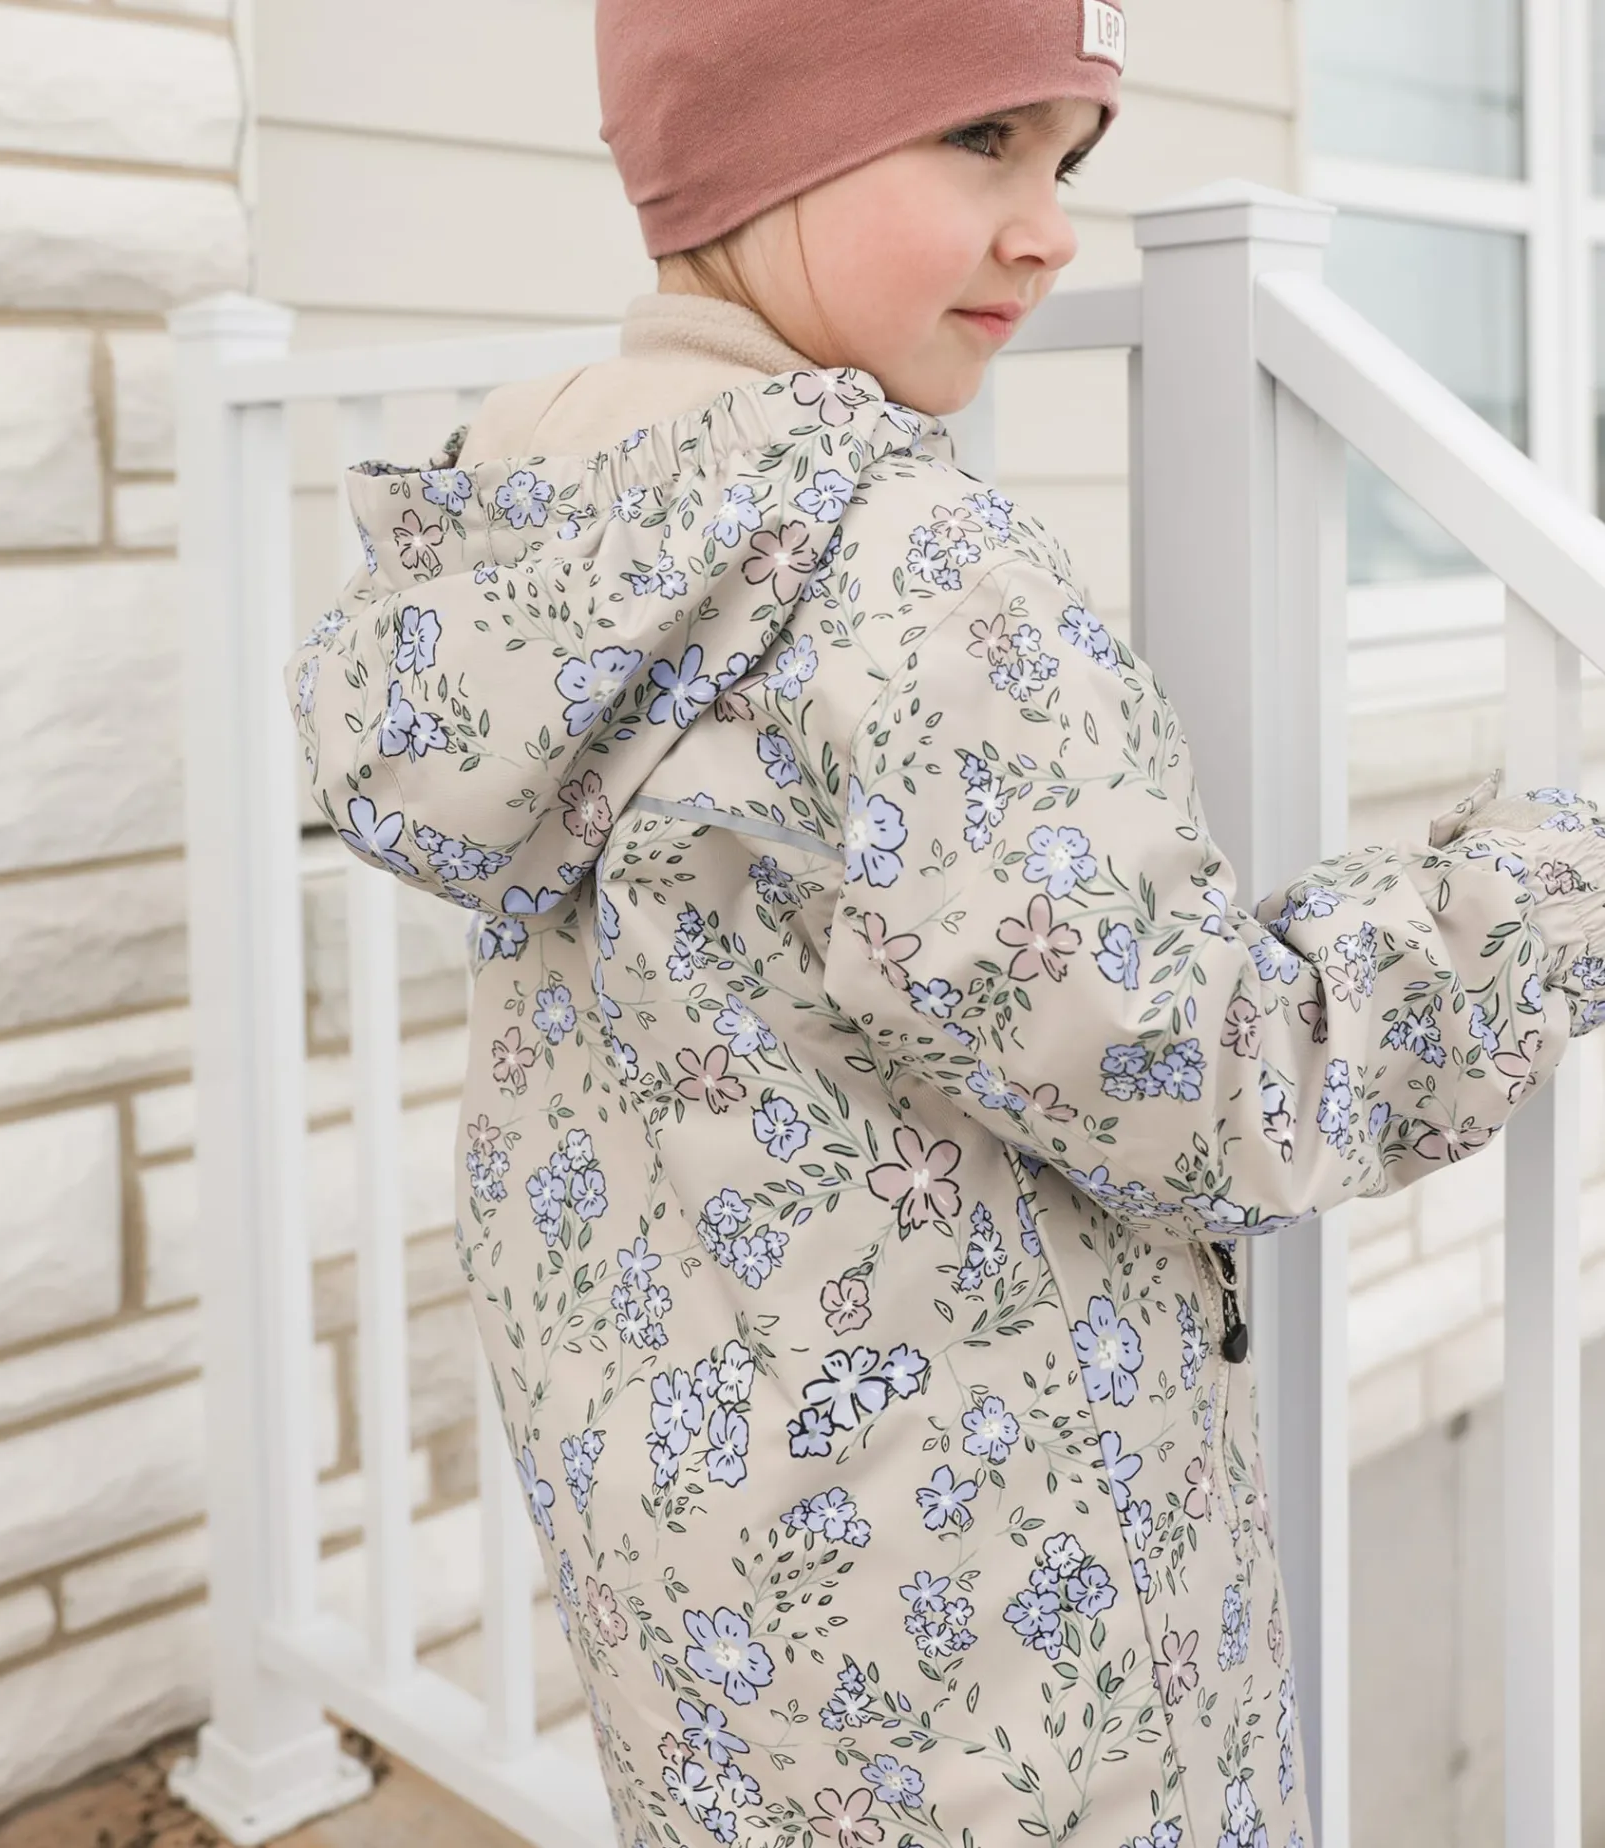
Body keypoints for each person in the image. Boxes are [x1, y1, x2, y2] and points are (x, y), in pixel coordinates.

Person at [286, 3, 1605, 1841]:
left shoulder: (530, 529)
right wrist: (1552, 881)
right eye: (981, 139)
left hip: (699, 1571)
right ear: (758, 143)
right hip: (996, 1637)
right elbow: (1217, 1074)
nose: (1051, 230)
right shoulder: (906, 569)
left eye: (1070, 158)